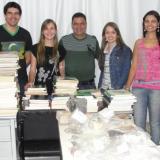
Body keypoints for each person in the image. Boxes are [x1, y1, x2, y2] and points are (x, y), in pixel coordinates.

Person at [125, 10, 160, 145]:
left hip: (157, 88)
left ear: (158, 24)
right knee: (138, 123)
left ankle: (156, 153)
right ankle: (141, 152)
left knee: (155, 123)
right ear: (143, 24)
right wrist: (127, 86)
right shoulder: (138, 43)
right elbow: (134, 66)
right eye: (147, 21)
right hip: (138, 88)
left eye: (153, 21)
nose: (150, 24)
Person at [58, 12, 100, 89]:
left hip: (89, 84)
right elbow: (59, 63)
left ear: (86, 24)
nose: (79, 26)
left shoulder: (93, 40)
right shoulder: (64, 40)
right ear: (72, 25)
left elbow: (100, 59)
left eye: (82, 23)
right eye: (75, 24)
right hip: (68, 83)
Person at [0, 2, 32, 99]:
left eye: (16, 13)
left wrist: (18, 68)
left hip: (22, 79)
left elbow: (28, 57)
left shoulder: (25, 34)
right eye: (10, 13)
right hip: (2, 79)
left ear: (20, 15)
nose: (13, 16)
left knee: (21, 109)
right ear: (5, 15)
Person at [25, 19, 59, 99]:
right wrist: (30, 82)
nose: (49, 31)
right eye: (46, 28)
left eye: (52, 28)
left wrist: (64, 87)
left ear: (56, 30)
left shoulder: (60, 49)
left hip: (55, 90)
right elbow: (32, 69)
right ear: (42, 31)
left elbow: (61, 69)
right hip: (39, 88)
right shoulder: (35, 48)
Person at [98, 22, 132, 90]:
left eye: (113, 32)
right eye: (107, 32)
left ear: (117, 35)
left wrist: (117, 88)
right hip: (103, 88)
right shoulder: (103, 50)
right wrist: (99, 86)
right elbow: (103, 71)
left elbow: (126, 71)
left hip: (117, 89)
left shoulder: (125, 50)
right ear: (104, 35)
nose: (110, 35)